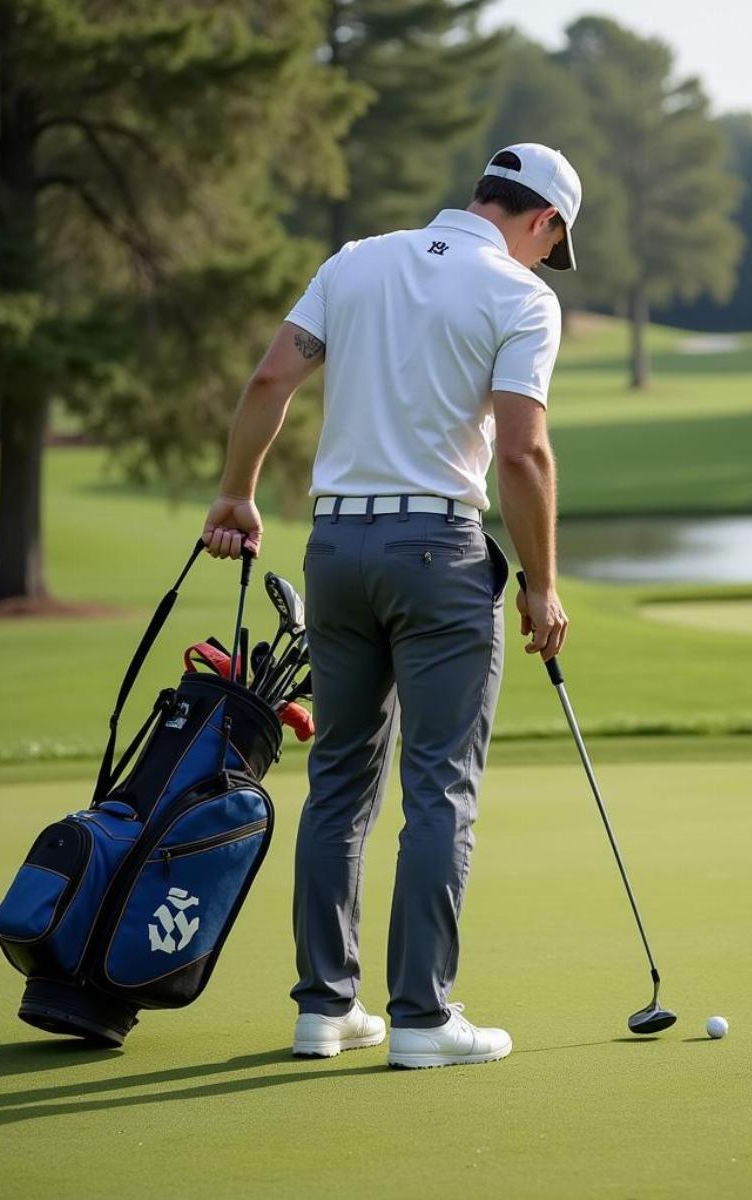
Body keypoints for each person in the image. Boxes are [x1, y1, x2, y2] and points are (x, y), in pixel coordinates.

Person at [202, 143, 580, 1069]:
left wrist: (237, 493)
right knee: (439, 784)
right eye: (552, 245)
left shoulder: (356, 260)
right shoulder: (524, 297)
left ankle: (323, 1011)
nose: (546, 261)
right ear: (545, 222)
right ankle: (420, 1017)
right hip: (438, 552)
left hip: (334, 548)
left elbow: (267, 384)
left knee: (338, 778)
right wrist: (542, 583)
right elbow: (525, 453)